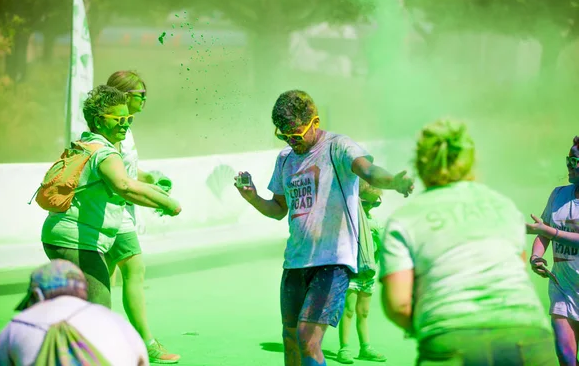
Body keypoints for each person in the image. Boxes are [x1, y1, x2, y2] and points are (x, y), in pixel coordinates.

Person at [234, 89, 414, 366]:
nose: (292, 142)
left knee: (308, 339)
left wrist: (392, 182)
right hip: (295, 262)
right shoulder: (285, 159)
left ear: (315, 122)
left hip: (332, 261)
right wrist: (253, 197)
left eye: (296, 135)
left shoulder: (338, 147)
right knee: (291, 339)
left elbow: (368, 171)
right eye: (284, 136)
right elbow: (278, 210)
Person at [379, 119, 557, 366]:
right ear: (472, 161)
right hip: (529, 338)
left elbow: (398, 304)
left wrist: (431, 324)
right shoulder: (503, 206)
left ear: (420, 164)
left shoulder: (404, 218)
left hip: (450, 340)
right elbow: (518, 268)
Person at [41, 85, 181, 309]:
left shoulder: (85, 143)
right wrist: (169, 203)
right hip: (76, 242)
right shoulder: (105, 153)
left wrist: (158, 195)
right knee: (99, 305)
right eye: (118, 119)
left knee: (79, 306)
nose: (125, 124)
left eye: (129, 119)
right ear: (98, 121)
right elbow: (125, 186)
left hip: (59, 238)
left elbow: (129, 185)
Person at [106, 70, 180, 364]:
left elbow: (127, 172)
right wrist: (161, 199)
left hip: (116, 214)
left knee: (105, 279)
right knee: (133, 273)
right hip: (114, 214)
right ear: (123, 95)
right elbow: (121, 182)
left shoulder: (126, 129)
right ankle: (146, 343)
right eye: (141, 94)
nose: (145, 99)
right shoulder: (114, 132)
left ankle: (97, 337)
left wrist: (151, 177)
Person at [0, 259, 149, 366]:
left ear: (36, 294)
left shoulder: (17, 326)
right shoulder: (114, 320)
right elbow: (141, 360)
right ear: (82, 290)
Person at [527, 135, 579, 366]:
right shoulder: (558, 194)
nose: (569, 165)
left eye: (575, 161)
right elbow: (543, 231)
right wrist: (536, 256)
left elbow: (548, 231)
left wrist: (551, 232)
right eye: (568, 159)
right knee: (566, 358)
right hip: (562, 286)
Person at [337, 180, 387, 364]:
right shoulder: (351, 221)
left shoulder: (375, 222)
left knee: (364, 312)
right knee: (348, 311)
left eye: (376, 202)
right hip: (352, 274)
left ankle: (365, 347)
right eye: (368, 203)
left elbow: (380, 249)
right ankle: (345, 348)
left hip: (368, 274)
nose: (372, 206)